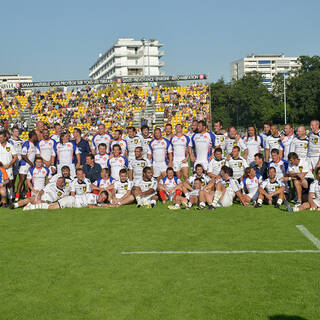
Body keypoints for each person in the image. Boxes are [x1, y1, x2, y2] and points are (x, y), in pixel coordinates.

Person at [16, 130, 37, 201]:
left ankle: (28, 197)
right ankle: (17, 197)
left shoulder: (33, 144)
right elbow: (23, 155)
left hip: (30, 166)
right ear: (33, 136)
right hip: (24, 165)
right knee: (21, 180)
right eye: (36, 136)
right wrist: (30, 162)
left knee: (29, 181)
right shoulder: (26, 143)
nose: (37, 137)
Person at [0, 130, 18, 202]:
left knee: (9, 182)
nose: (0, 139)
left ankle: (10, 197)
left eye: (1, 137)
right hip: (0, 169)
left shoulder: (10, 146)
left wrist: (9, 164)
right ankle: (3, 198)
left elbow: (15, 157)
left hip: (8, 167)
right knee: (1, 183)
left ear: (5, 137)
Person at [8, 126, 23, 192]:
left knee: (22, 178)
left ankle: (21, 192)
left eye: (18, 131)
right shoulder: (10, 141)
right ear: (12, 133)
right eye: (16, 131)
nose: (18, 132)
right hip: (14, 162)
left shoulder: (22, 140)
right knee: (13, 179)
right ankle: (13, 192)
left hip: (21, 162)